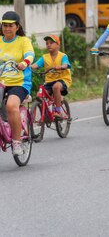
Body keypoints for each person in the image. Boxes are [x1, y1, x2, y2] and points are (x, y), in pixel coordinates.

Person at [0, 11, 35, 156]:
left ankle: (16, 141)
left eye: (10, 25)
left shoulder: (23, 41)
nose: (7, 28)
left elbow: (30, 54)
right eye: (5, 25)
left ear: (17, 26)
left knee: (10, 106)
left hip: (19, 83)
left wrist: (24, 63)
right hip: (2, 82)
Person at [31, 34, 72, 119]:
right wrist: (26, 66)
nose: (48, 45)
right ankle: (45, 115)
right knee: (39, 95)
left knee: (56, 87)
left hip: (63, 80)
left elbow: (66, 64)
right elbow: (35, 65)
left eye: (51, 43)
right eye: (47, 43)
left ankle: (58, 111)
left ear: (58, 44)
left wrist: (61, 66)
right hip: (49, 81)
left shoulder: (63, 56)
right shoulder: (45, 57)